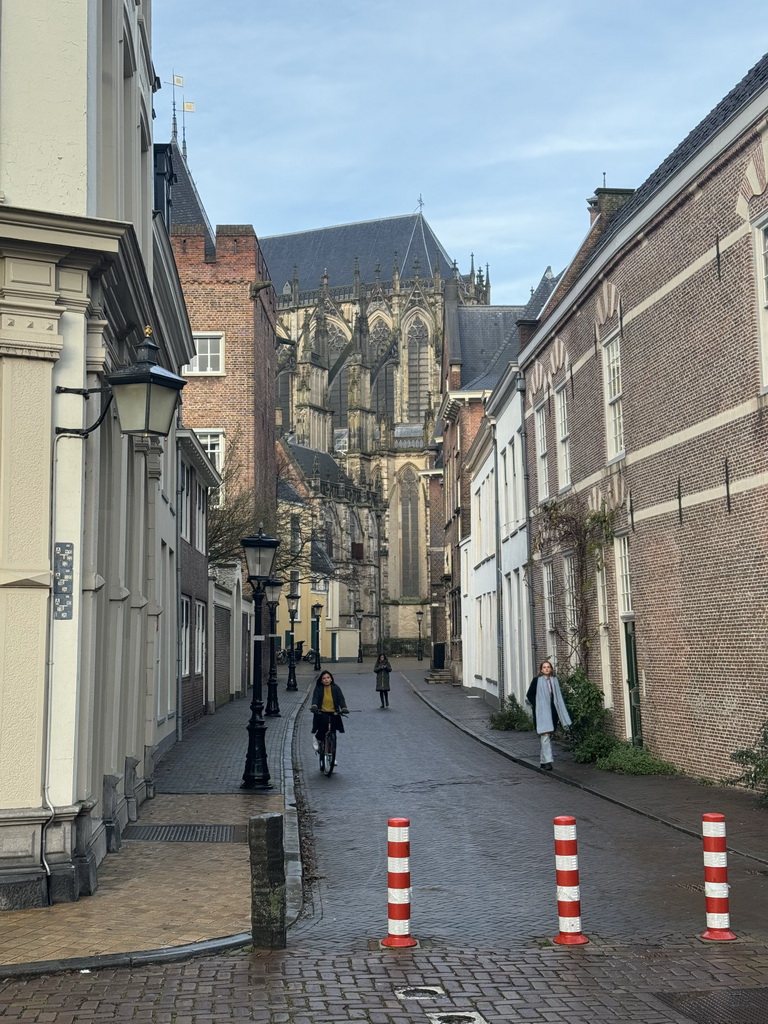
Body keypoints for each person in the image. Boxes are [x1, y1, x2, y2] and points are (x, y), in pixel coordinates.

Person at [526, 660, 571, 771]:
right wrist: (538, 705)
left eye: (548, 667)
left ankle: (543, 761)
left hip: (552, 710)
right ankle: (548, 762)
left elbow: (557, 696)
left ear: (551, 669)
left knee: (548, 735)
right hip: (541, 711)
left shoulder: (555, 681)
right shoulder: (537, 681)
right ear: (541, 670)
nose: (546, 669)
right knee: (545, 734)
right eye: (544, 667)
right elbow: (530, 694)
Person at [310, 670, 349, 754]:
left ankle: (332, 754)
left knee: (333, 733)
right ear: (321, 680)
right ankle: (317, 738)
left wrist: (343, 708)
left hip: (334, 713)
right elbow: (315, 698)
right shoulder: (318, 689)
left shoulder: (336, 688)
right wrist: (314, 706)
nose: (326, 680)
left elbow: (341, 699)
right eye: (324, 678)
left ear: (331, 679)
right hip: (322, 712)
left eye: (328, 678)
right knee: (323, 726)